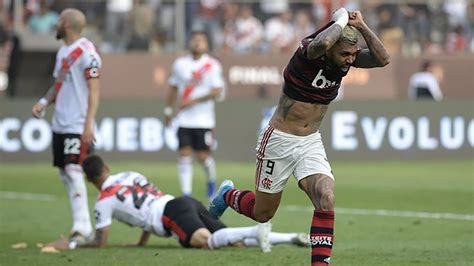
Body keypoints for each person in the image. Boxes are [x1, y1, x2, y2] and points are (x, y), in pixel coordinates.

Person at [209, 8, 389, 265]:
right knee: (263, 214)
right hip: (279, 139)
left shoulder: (342, 57)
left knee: (326, 196)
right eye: (345, 54)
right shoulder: (308, 52)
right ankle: (228, 195)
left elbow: (383, 59)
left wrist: (361, 26)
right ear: (331, 49)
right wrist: (339, 17)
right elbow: (325, 41)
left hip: (310, 141)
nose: (350, 60)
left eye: (352, 54)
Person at [45, 154, 310, 251]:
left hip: (169, 215)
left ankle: (256, 230)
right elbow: (146, 203)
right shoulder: (130, 175)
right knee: (232, 242)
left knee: (205, 242)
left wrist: (75, 245)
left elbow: (100, 241)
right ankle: (291, 238)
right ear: (107, 167)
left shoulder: (103, 202)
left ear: (91, 181)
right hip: (182, 202)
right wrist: (140, 242)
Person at [31, 8, 102, 245]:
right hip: (60, 123)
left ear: (68, 25)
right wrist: (44, 101)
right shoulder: (63, 52)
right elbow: (58, 84)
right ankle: (80, 225)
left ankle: (83, 228)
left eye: (60, 20)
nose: (56, 24)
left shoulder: (87, 51)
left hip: (77, 123)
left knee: (74, 171)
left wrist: (88, 122)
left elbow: (94, 89)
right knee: (64, 173)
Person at [164, 31, 225, 200]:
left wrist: (195, 100)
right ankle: (186, 194)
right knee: (184, 154)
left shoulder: (212, 65)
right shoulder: (180, 64)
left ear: (206, 44)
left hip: (204, 120)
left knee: (203, 157)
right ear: (189, 42)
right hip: (184, 119)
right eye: (195, 39)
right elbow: (173, 87)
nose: (197, 43)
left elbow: (217, 91)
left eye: (201, 40)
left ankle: (211, 181)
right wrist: (168, 110)